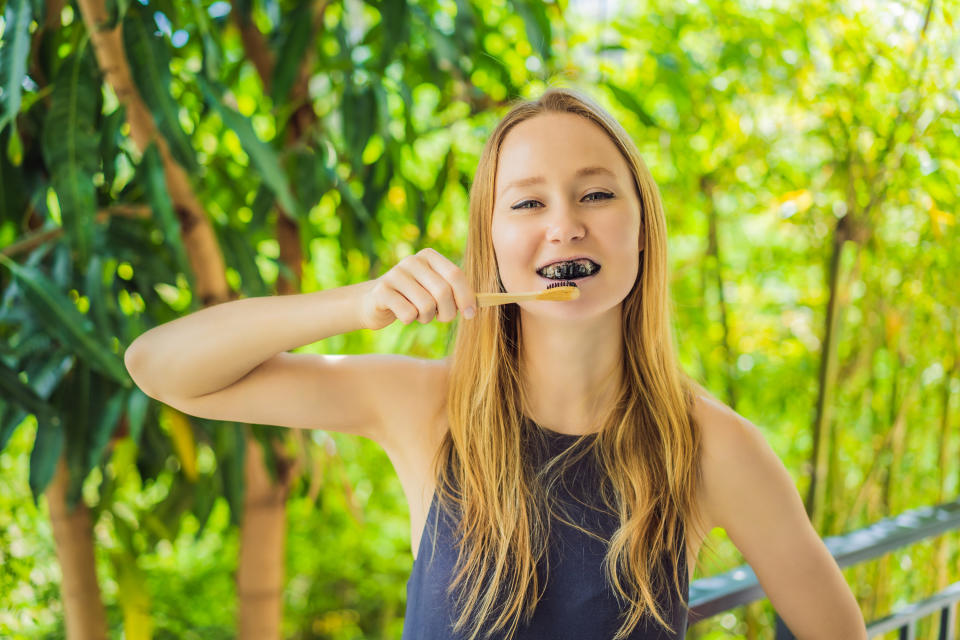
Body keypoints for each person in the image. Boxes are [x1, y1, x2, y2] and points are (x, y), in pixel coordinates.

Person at [124, 87, 867, 640]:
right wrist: (360, 302)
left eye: (597, 194)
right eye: (526, 205)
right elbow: (160, 366)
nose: (564, 225)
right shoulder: (423, 407)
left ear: (642, 231)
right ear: (489, 245)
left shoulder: (713, 446)